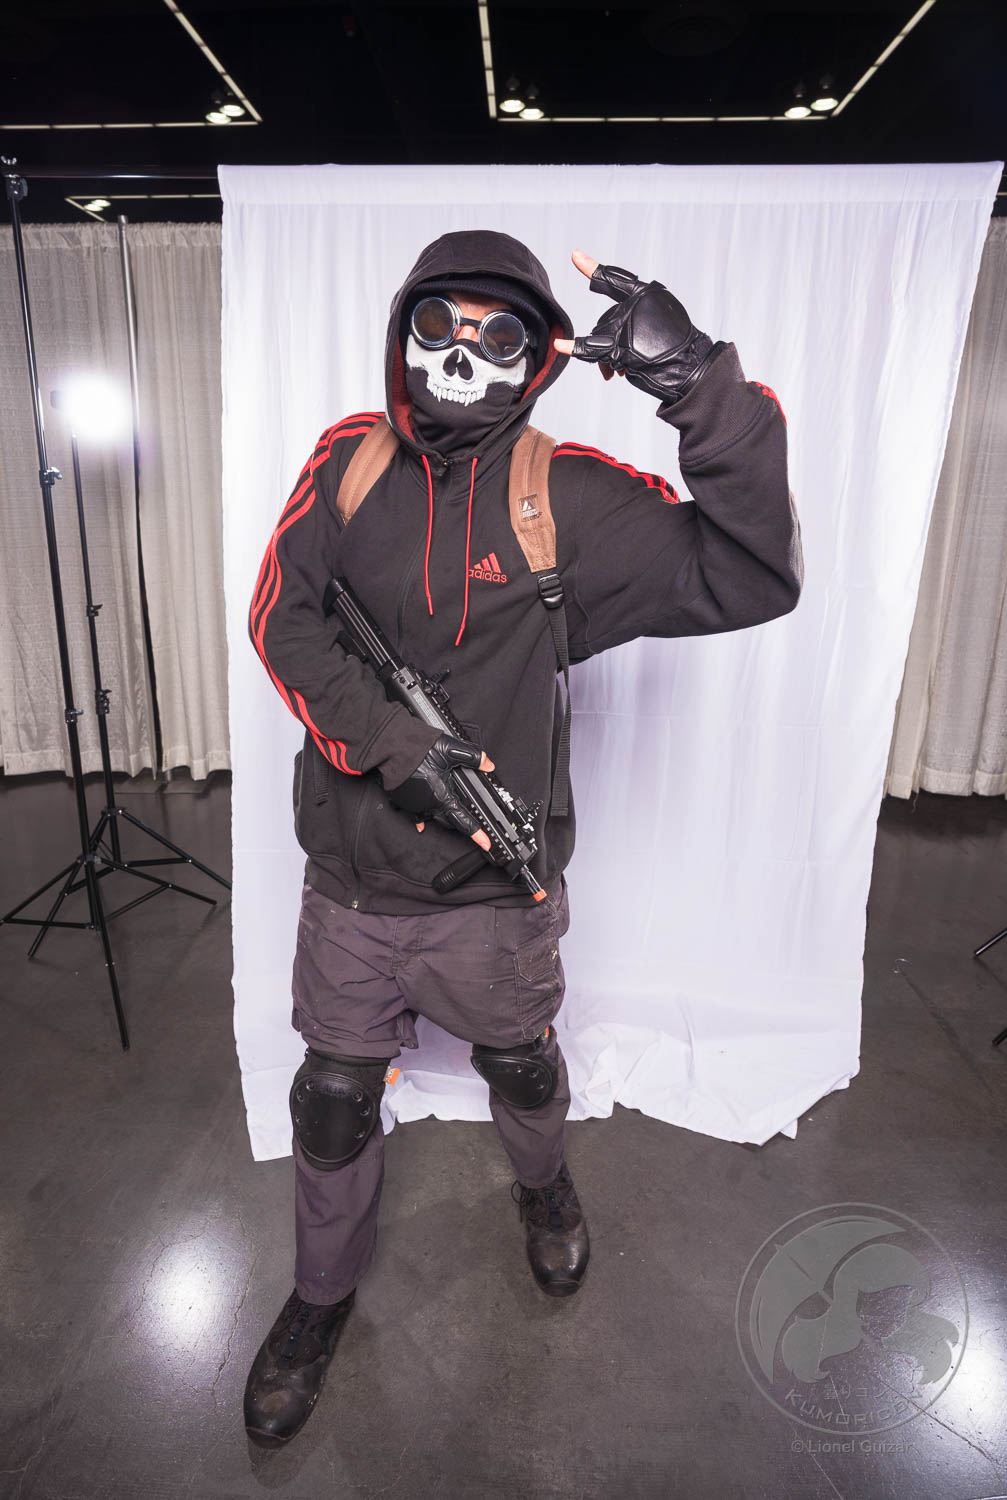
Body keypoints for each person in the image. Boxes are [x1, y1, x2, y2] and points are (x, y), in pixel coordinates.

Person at [242, 231, 803, 1446]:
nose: (460, 354)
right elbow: (282, 622)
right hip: (351, 887)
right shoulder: (347, 463)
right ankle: (318, 1298)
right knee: (331, 1100)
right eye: (435, 324)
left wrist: (699, 386)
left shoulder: (568, 499)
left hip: (495, 895)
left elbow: (756, 576)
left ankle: (545, 1193)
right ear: (401, 330)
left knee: (524, 1070)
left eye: (496, 334)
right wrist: (393, 745)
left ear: (540, 356)